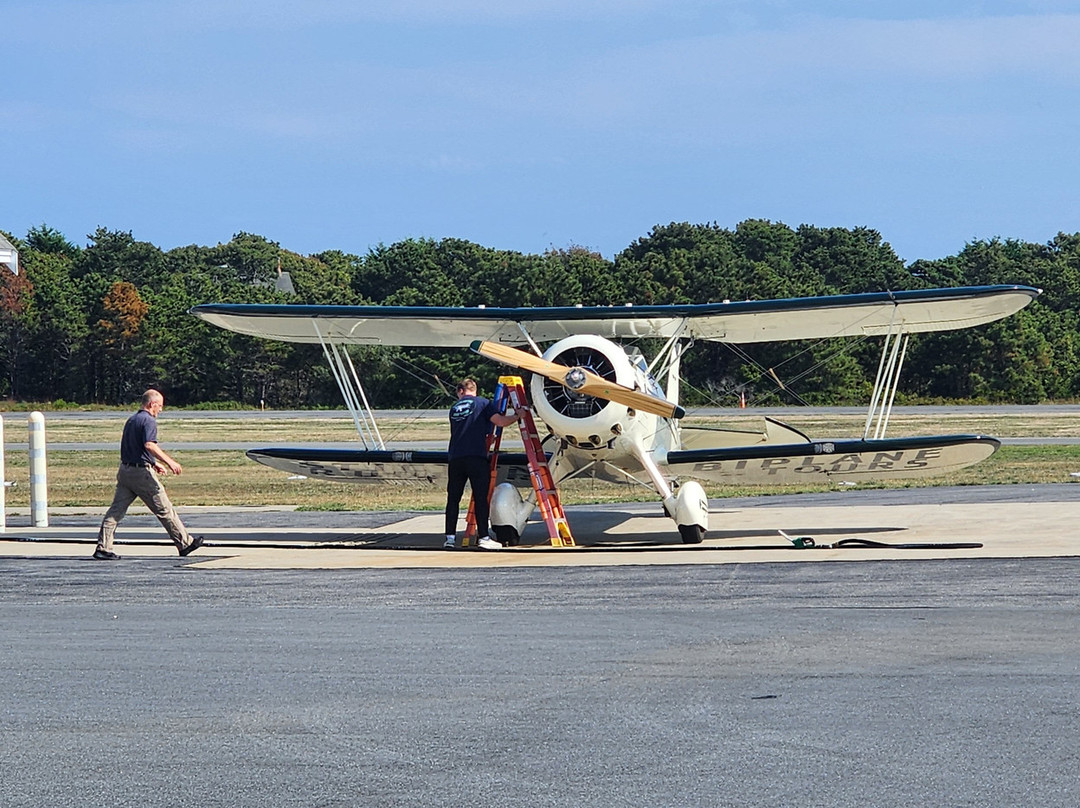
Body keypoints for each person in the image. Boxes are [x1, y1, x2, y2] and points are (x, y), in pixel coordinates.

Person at [93, 389, 202, 560]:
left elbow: (135, 448)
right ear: (152, 404)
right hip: (141, 475)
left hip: (125, 471)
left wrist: (153, 463)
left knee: (116, 511)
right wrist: (170, 462)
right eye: (160, 406)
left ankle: (103, 547)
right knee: (164, 509)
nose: (161, 410)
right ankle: (185, 543)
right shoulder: (148, 421)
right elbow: (149, 445)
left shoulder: (132, 420)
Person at [444, 378, 520, 550]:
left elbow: (467, 428)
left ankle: (449, 537)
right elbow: (500, 421)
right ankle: (484, 536)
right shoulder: (483, 403)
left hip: (455, 457)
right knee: (480, 498)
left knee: (453, 499)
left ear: (460, 391)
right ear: (474, 390)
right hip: (476, 457)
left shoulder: (454, 408)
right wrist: (517, 416)